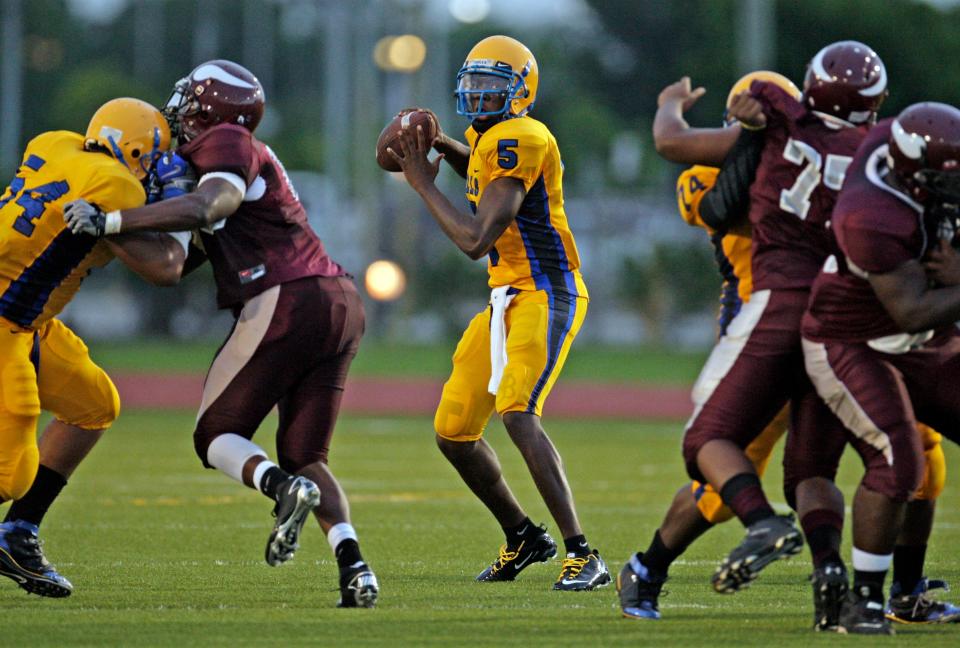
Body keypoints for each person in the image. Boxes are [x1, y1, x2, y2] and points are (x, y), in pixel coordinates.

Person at [63, 60, 378, 608]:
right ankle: (355, 566)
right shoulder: (220, 163)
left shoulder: (227, 142)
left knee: (215, 435)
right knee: (305, 453)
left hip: (288, 294)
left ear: (209, 113)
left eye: (188, 102)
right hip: (338, 300)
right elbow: (171, 267)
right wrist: (112, 238)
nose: (178, 111)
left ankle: (281, 490)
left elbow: (213, 205)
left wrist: (112, 221)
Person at [385, 35, 609, 591]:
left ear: (521, 91)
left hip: (546, 292)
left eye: (494, 84)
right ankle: (524, 536)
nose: (480, 93)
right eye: (475, 82)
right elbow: (485, 178)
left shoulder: (524, 136)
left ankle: (585, 554)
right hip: (505, 297)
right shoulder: (489, 140)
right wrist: (444, 145)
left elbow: (476, 237)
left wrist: (421, 184)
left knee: (516, 412)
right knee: (453, 432)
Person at [670, 41, 887, 606]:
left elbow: (723, 202)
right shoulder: (862, 153)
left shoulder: (764, 155)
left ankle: (655, 563)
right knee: (869, 464)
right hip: (842, 320)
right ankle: (855, 590)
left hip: (766, 317)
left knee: (711, 445)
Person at [617, 71, 800, 621]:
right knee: (720, 482)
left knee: (901, 451)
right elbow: (732, 204)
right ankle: (648, 566)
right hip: (759, 330)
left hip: (830, 325)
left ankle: (878, 587)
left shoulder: (816, 153)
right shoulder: (716, 173)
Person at [0, 97, 190, 597]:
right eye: (150, 160)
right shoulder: (116, 184)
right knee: (11, 475)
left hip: (28, 323)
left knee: (94, 404)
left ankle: (17, 532)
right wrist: (181, 206)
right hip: (3, 322)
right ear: (130, 151)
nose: (151, 172)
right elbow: (167, 269)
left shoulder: (52, 144)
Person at [800, 102, 960, 634]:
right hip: (853, 338)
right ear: (914, 174)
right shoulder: (870, 214)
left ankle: (908, 593)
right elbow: (911, 307)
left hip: (920, 337)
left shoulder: (904, 143)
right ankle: (863, 602)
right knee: (899, 459)